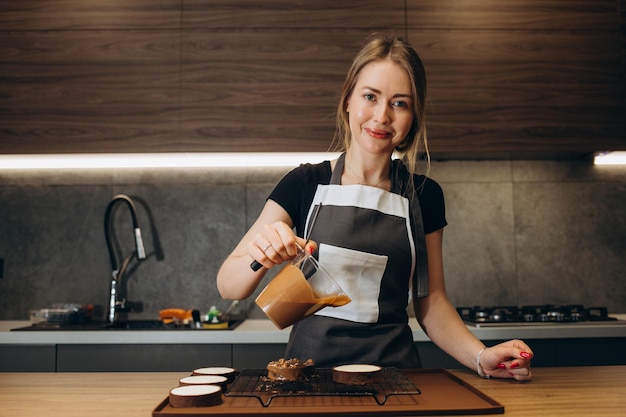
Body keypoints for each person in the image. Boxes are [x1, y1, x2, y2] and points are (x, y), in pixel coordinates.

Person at [217, 33, 533, 380]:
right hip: (309, 382)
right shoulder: (305, 184)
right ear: (348, 99)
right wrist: (262, 255)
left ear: (413, 115)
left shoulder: (425, 195)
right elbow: (229, 286)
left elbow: (432, 304)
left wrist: (480, 357)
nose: (382, 116)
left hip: (395, 381)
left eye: (400, 103)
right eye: (371, 96)